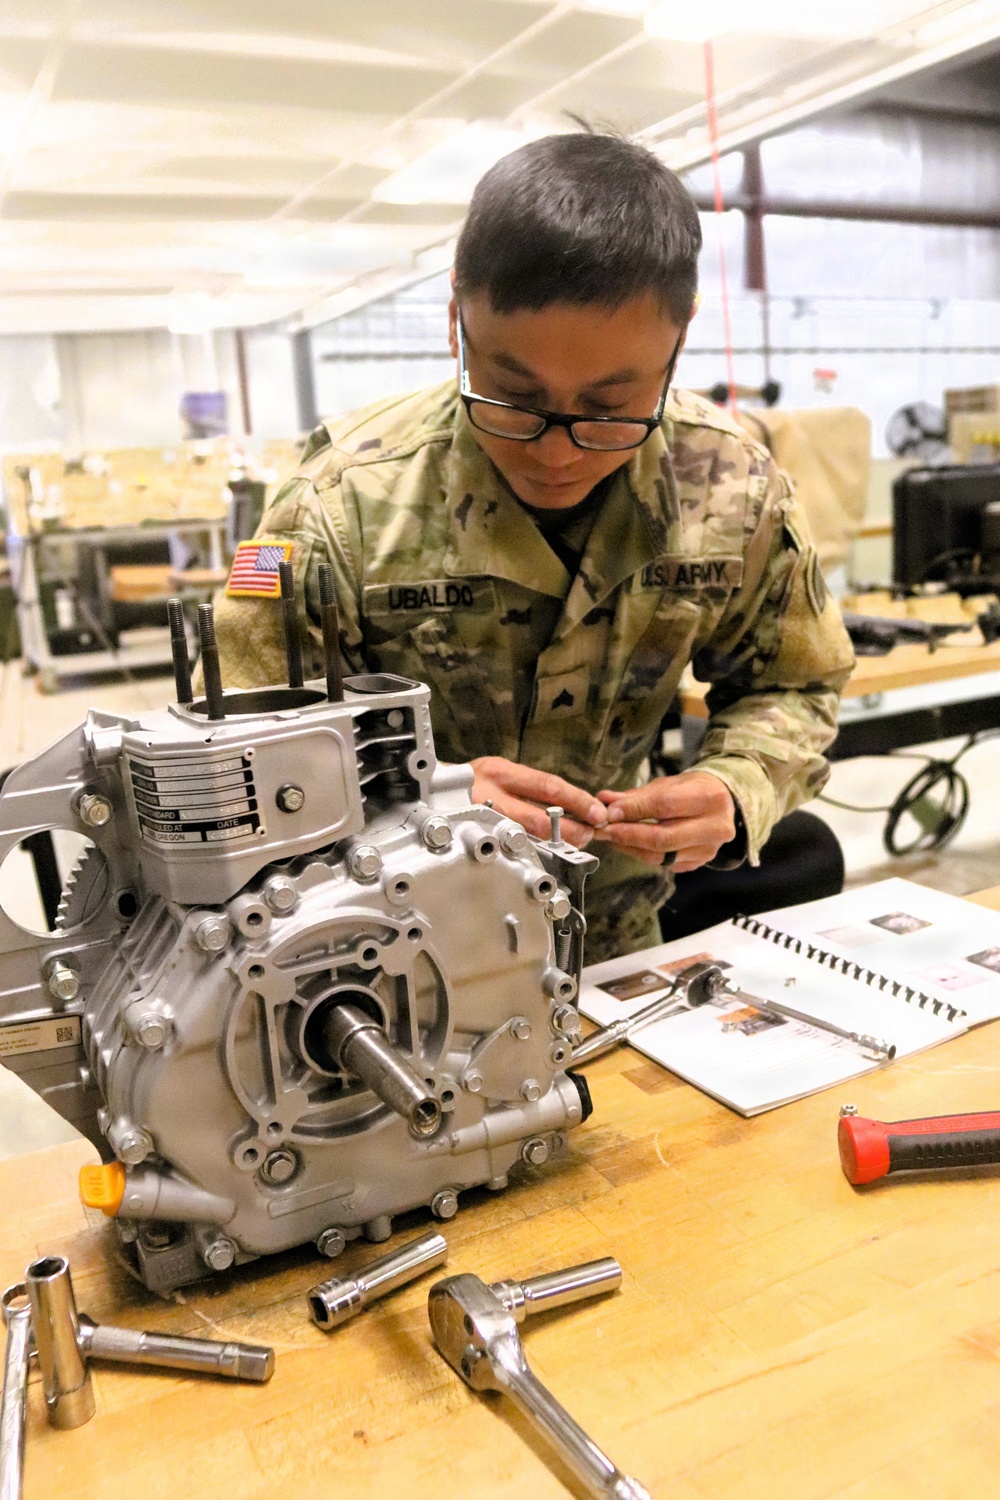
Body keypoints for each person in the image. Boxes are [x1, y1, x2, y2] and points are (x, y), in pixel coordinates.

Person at [212, 130, 855, 965]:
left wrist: (738, 786)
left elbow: (797, 682)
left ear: (680, 339)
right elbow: (236, 757)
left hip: (617, 946)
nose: (557, 451)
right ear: (455, 318)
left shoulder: (730, 489)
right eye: (513, 398)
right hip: (381, 953)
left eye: (610, 406)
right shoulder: (337, 507)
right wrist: (419, 796)